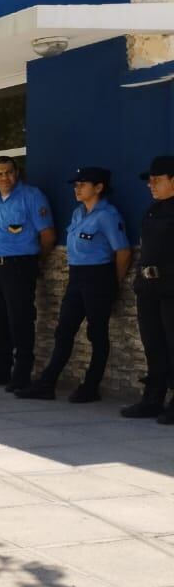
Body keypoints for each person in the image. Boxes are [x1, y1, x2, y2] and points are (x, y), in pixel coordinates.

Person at [16, 168, 131, 402]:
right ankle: (47, 383)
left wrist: (114, 283)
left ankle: (91, 386)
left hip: (98, 277)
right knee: (64, 330)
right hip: (77, 276)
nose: (77, 189)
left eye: (83, 184)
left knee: (96, 333)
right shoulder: (79, 213)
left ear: (99, 187)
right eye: (76, 185)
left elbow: (123, 251)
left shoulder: (107, 215)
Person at [0, 157, 56, 390]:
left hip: (19, 266)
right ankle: (0, 368)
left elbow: (48, 235)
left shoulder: (32, 196)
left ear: (16, 173)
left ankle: (22, 373)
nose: (4, 178)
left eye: (8, 172)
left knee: (20, 320)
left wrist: (35, 262)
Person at [122, 156, 174, 422]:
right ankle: (153, 398)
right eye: (149, 180)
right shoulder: (153, 210)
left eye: (156, 180)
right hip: (149, 286)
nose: (150, 185)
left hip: (171, 288)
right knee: (153, 344)